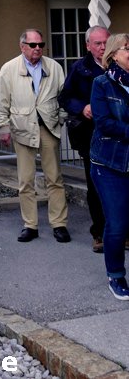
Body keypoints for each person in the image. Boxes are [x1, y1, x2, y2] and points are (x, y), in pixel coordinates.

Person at [0, 29, 70, 243]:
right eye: (33, 45)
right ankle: (30, 225)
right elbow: (0, 102)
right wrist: (3, 127)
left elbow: (64, 95)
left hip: (48, 127)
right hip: (23, 128)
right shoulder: (9, 69)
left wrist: (61, 118)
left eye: (41, 45)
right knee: (25, 180)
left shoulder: (53, 67)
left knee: (54, 178)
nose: (38, 49)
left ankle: (59, 224)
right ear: (22, 46)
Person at [59, 25, 109, 252]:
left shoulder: (119, 64)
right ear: (88, 45)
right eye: (97, 43)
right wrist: (82, 107)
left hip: (118, 136)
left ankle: (122, 232)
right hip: (91, 135)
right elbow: (65, 97)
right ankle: (99, 233)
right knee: (96, 185)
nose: (102, 47)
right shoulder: (80, 68)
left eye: (106, 42)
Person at [90, 33, 129, 300]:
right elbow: (103, 123)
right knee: (117, 224)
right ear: (114, 54)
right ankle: (116, 275)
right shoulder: (101, 84)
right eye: (128, 48)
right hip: (109, 162)